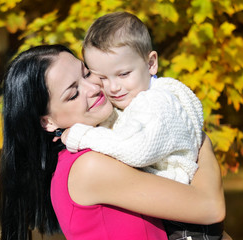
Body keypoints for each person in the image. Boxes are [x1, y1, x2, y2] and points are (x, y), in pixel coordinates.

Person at [0, 44, 226, 240]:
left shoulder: (105, 146)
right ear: (47, 121)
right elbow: (209, 207)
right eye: (73, 94)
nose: (94, 88)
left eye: (86, 74)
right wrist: (199, 137)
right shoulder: (88, 167)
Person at [61, 12, 223, 239]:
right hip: (178, 207)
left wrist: (83, 135)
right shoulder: (140, 100)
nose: (113, 87)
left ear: (151, 63)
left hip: (185, 221)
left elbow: (136, 150)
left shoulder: (156, 102)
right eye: (102, 78)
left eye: (123, 74)